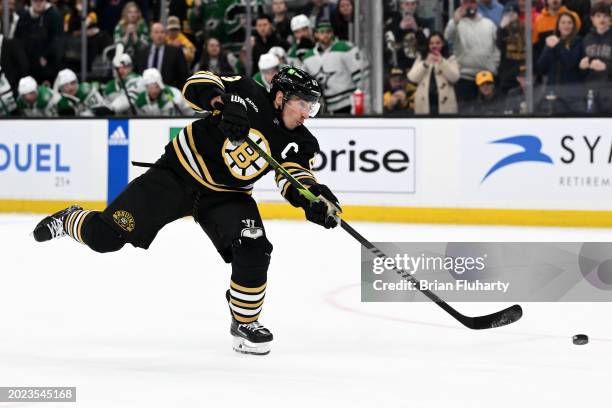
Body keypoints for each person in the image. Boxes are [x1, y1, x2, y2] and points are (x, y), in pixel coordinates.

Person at [32, 66, 341, 356]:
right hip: (177, 175)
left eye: (310, 107)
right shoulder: (247, 89)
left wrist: (314, 199)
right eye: (301, 103)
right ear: (280, 96)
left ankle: (244, 322)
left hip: (227, 196)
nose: (305, 113)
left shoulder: (301, 141)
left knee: (254, 247)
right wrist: (221, 101)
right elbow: (196, 83)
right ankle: (69, 218)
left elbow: (295, 178)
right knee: (104, 238)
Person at [302, 19, 363, 114]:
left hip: (348, 103)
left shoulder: (345, 48)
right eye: (322, 32)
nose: (325, 35)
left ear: (333, 33)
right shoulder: (308, 57)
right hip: (326, 106)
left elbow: (359, 76)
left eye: (328, 32)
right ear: (316, 34)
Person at [444, 0, 500, 102]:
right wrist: (454, 21)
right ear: (461, 5)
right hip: (466, 78)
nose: (469, 5)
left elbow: (497, 48)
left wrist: (494, 65)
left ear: (476, 4)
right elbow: (447, 37)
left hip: (487, 77)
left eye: (472, 2)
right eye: (466, 2)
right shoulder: (457, 24)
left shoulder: (489, 24)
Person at [408, 31, 460, 114]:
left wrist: (442, 62)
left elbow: (455, 78)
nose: (434, 45)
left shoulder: (450, 58)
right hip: (424, 104)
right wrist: (425, 64)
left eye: (438, 43)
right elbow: (412, 78)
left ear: (443, 44)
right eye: (431, 43)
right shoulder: (421, 58)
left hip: (445, 106)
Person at [14, 0, 64, 83]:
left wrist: (46, 55)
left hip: (47, 65)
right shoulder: (24, 16)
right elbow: (18, 38)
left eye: (40, 1)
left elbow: (57, 40)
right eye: (35, 1)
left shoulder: (54, 16)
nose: (38, 3)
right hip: (27, 63)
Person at [135, 22, 189, 90]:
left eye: (162, 32)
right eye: (156, 32)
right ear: (151, 35)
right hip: (146, 91)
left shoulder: (176, 52)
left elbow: (183, 76)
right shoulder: (142, 52)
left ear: (166, 35)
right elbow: (137, 73)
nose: (159, 35)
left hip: (169, 92)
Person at [537, 12, 582, 92]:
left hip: (571, 91)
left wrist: (558, 45)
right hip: (552, 90)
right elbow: (541, 68)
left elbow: (571, 63)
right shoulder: (551, 41)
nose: (566, 25)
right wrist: (548, 49)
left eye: (569, 22)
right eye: (563, 22)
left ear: (573, 26)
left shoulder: (578, 42)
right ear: (558, 26)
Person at [579, 1, 611, 113]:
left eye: (605, 16)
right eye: (598, 16)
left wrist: (606, 67)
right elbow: (581, 68)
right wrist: (582, 66)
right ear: (592, 18)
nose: (602, 19)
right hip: (590, 89)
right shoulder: (586, 39)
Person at [497, 2, 527, 92]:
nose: (510, 17)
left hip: (521, 73)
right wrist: (501, 28)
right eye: (507, 14)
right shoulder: (502, 30)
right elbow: (499, 46)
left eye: (513, 13)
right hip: (506, 73)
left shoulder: (524, 28)